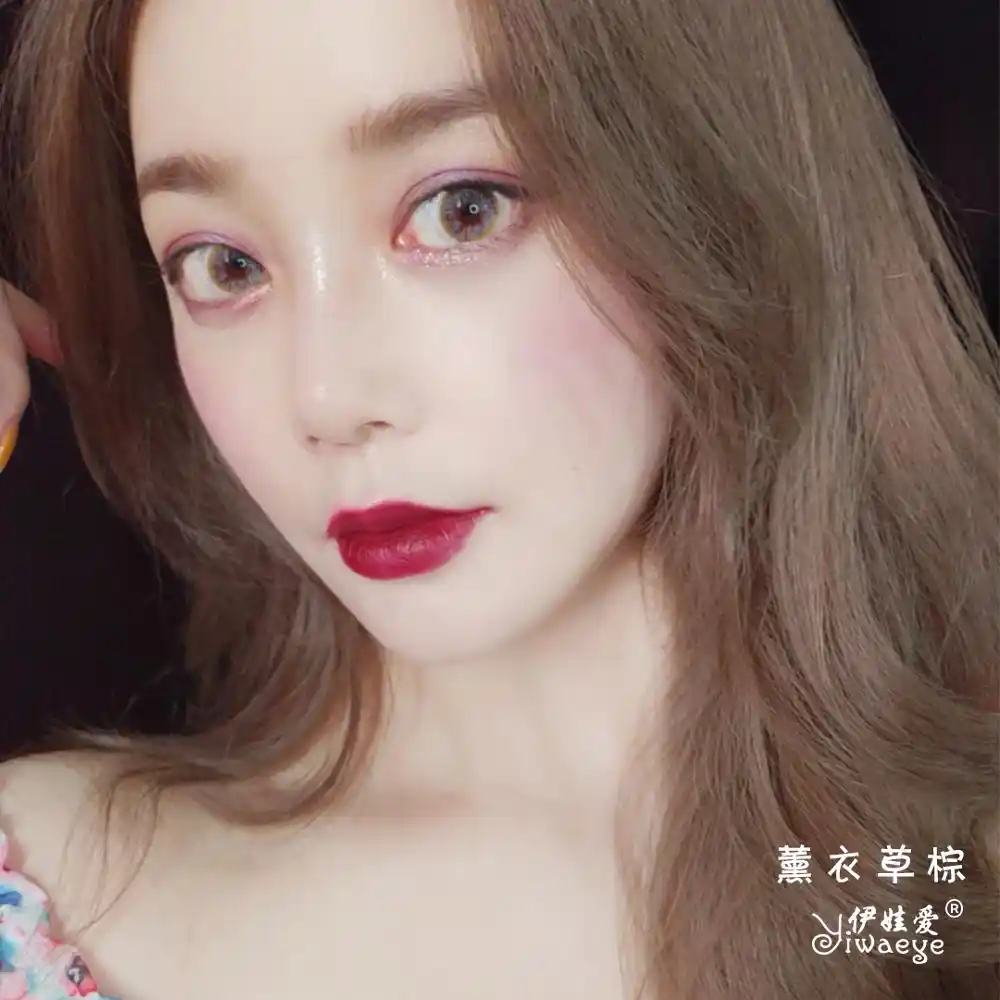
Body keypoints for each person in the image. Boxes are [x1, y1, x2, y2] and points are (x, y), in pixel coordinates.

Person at [0, 0, 996, 996]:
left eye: (462, 210)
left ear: (719, 179)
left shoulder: (943, 893)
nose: (327, 398)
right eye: (224, 267)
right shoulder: (47, 893)